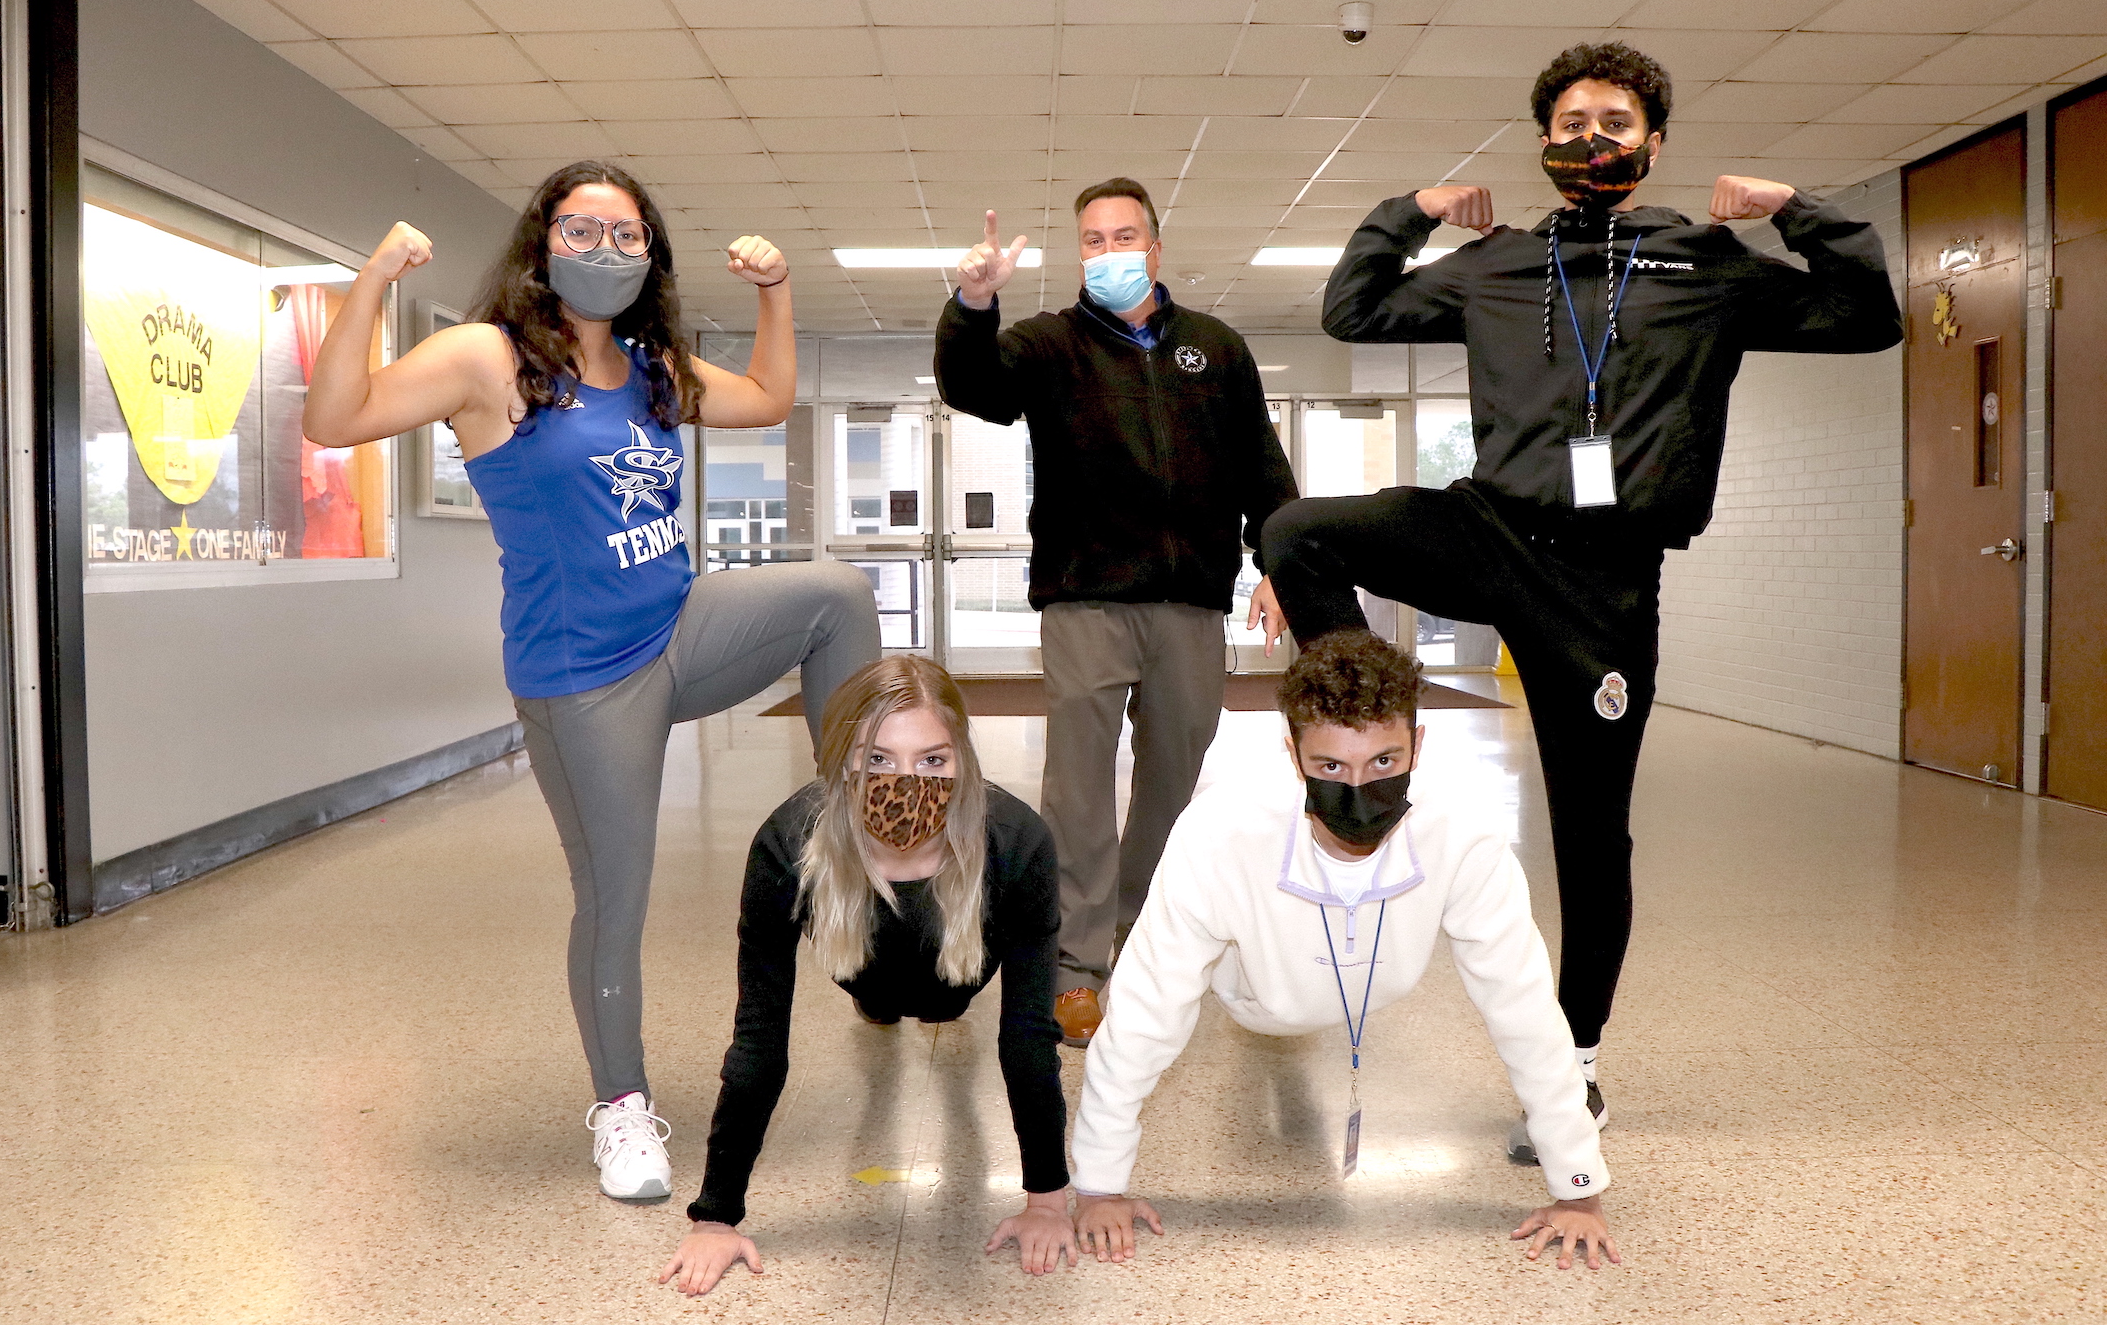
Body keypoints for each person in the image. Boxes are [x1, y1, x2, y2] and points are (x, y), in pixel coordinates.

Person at [1264, 41, 1903, 1162]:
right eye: (1571, 120)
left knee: (1590, 837)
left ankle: (1579, 1062)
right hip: (1487, 526)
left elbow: (1866, 315)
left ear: (1656, 142)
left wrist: (1798, 211)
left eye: (1616, 120)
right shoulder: (1496, 262)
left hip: (1605, 586)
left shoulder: (1709, 262)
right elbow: (1352, 312)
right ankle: (1366, 722)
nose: (1592, 138)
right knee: (1296, 530)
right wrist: (1410, 212)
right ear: (1543, 142)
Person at [302, 160, 880, 1205]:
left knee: (835, 595)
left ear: (649, 255)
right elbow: (334, 421)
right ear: (543, 241)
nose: (603, 252)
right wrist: (375, 277)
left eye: (625, 236)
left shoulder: (653, 365)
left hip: (681, 625)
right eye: (582, 231)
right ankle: (622, 1111)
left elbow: (769, 399)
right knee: (616, 900)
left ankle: (861, 844)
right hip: (584, 676)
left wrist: (777, 292)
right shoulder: (489, 359)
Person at [1069, 630, 1620, 1270]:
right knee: (1184, 999)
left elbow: (1522, 1007)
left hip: (1382, 984)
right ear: (1293, 754)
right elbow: (1146, 1009)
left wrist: (1579, 1189)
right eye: (1330, 767)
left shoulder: (1465, 834)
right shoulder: (1221, 830)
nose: (1358, 789)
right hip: (1252, 987)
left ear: (1418, 745)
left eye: (1383, 763)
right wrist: (1100, 1184)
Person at [935, 178, 1299, 1047]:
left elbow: (1261, 465)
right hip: (1086, 596)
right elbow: (973, 385)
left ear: (1156, 247)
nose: (1108, 252)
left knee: (1175, 779)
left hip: (1189, 603)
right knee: (1080, 791)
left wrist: (1282, 563)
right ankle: (1075, 966)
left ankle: (1141, 934)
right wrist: (973, 304)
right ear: (1080, 254)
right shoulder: (1049, 345)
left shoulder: (1216, 347)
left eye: (1123, 235)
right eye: (1092, 241)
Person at [663, 656, 1071, 1295]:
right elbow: (759, 1042)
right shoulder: (788, 843)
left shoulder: (1016, 842)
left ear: (963, 760)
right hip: (863, 969)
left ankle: (934, 1003)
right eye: (877, 759)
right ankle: (878, 1005)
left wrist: (1047, 1199)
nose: (905, 782)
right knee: (881, 996)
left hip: (961, 974)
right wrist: (715, 1215)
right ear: (839, 763)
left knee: (945, 1002)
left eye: (932, 761)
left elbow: (1026, 1037)